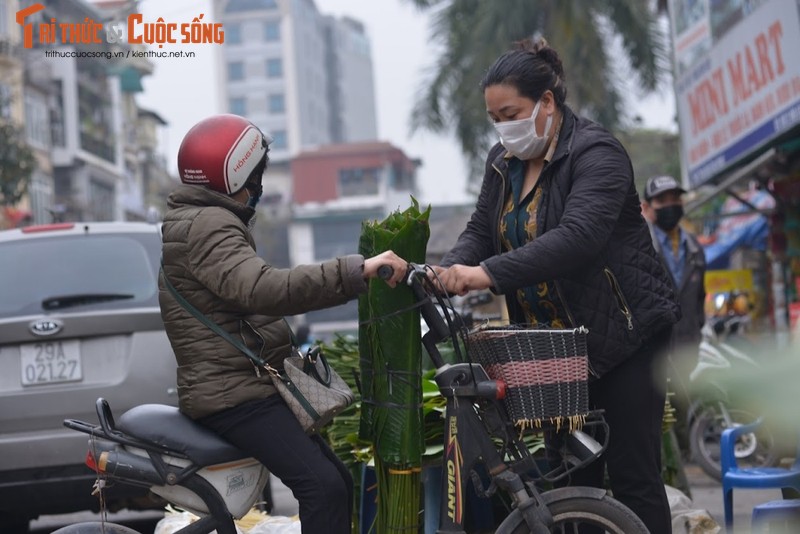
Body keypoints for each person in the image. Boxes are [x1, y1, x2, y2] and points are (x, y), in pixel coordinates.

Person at [433, 39, 681, 534]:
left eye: (512, 113)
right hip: (556, 355)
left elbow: (579, 237)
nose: (504, 127)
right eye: (495, 117)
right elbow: (482, 229)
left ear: (547, 102)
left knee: (633, 478)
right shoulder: (503, 162)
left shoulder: (597, 152)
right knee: (570, 480)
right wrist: (451, 269)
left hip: (625, 340)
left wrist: (487, 274)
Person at [157, 114, 408, 534]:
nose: (258, 187)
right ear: (238, 175)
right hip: (235, 396)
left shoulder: (198, 220)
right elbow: (263, 289)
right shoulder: (209, 225)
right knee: (323, 488)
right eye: (256, 176)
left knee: (336, 482)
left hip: (245, 387)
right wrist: (355, 271)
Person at [641, 175, 707, 452]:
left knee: (684, 398)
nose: (670, 205)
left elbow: (699, 295)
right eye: (662, 201)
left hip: (688, 338)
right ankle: (669, 455)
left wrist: (697, 328)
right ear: (647, 207)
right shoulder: (641, 245)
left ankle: (686, 453)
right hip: (654, 340)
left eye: (675, 199)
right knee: (656, 403)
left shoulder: (694, 247)